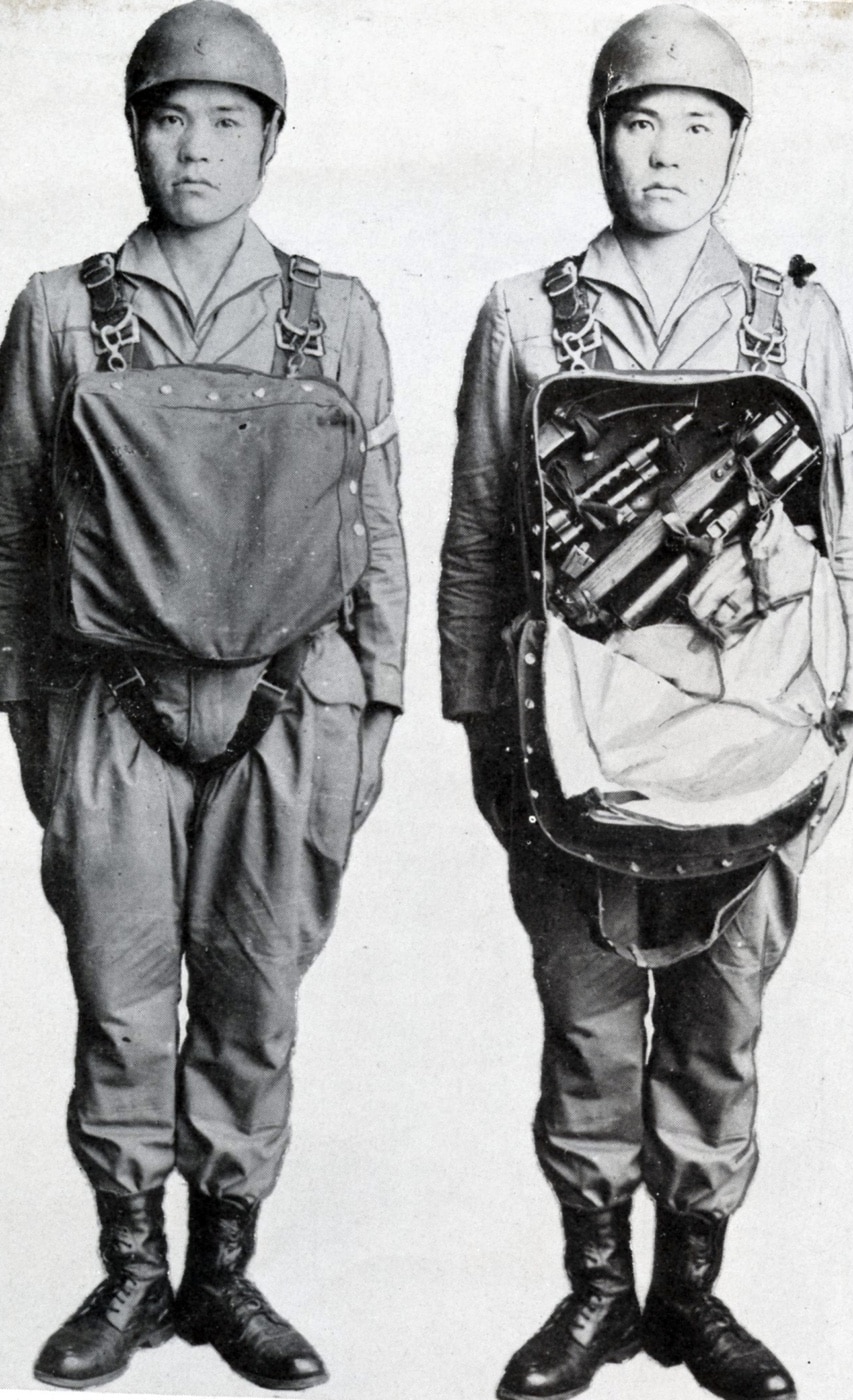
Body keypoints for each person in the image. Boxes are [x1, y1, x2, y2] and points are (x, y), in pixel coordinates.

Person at [438, 7, 853, 1400]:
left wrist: (851, 720)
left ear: (737, 145)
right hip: (567, 750)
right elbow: (476, 534)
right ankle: (594, 1297)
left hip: (761, 749)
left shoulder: (792, 317)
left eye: (699, 122)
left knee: (722, 1020)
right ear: (598, 136)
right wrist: (480, 730)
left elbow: (847, 534)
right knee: (583, 1025)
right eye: (641, 120)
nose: (667, 151)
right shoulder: (524, 313)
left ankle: (693, 1298)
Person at [0, 1, 406, 1390]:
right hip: (109, 701)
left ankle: (226, 1273)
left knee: (254, 994)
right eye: (170, 113)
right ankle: (129, 1270)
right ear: (131, 127)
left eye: (228, 117)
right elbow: (14, 524)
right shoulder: (62, 310)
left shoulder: (331, 313)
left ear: (271, 137)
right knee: (122, 1000)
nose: (195, 145)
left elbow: (380, 525)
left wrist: (380, 715)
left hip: (296, 704)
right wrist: (29, 725)